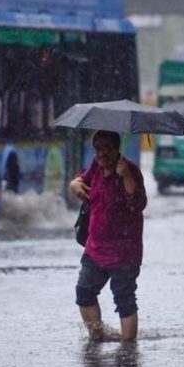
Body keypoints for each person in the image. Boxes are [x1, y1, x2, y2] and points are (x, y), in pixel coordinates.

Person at [69, 130, 147, 342]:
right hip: (96, 248)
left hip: (124, 252)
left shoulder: (130, 170)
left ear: (117, 149)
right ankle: (98, 339)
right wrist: (74, 184)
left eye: (107, 149)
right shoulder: (96, 167)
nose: (102, 154)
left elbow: (138, 204)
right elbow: (80, 180)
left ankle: (129, 347)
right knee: (84, 292)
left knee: (124, 299)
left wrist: (127, 176)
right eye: (98, 149)